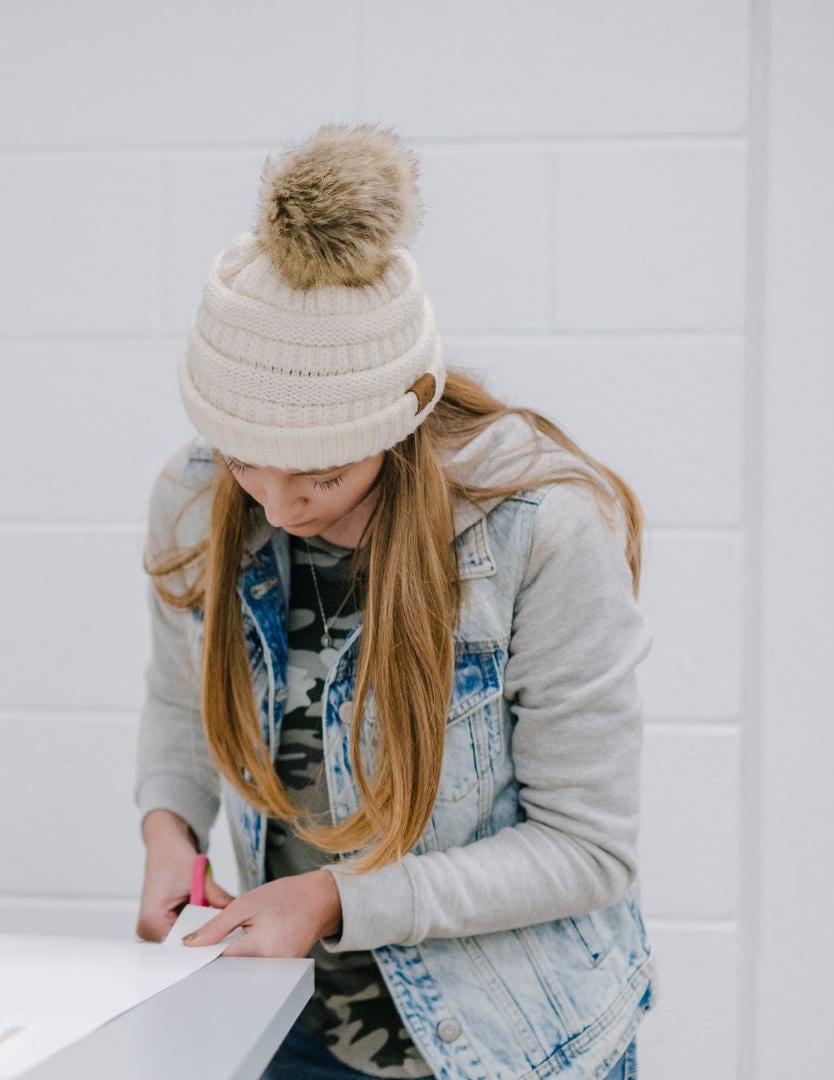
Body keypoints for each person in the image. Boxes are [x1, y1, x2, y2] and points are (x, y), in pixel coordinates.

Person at [132, 122, 650, 1080]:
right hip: (289, 1023)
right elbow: (179, 706)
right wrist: (170, 831)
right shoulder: (197, 492)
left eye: (322, 478)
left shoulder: (541, 531)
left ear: (396, 424)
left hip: (511, 1043)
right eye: (249, 459)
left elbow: (588, 851)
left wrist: (335, 899)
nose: (278, 506)